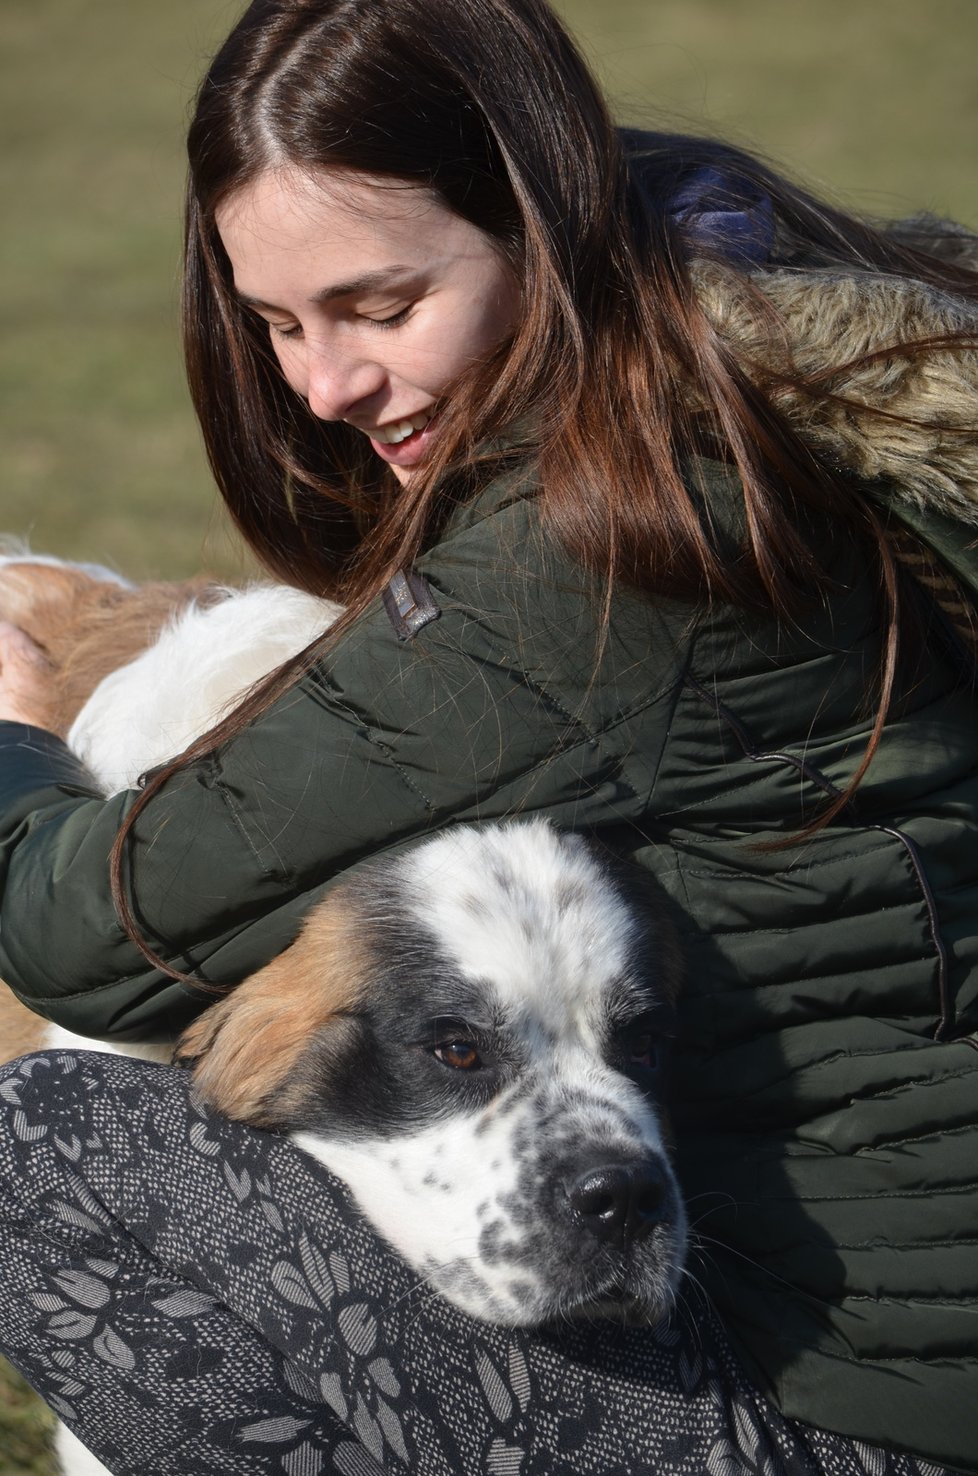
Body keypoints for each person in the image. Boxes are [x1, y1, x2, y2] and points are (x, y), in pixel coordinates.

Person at [1, 0, 977, 1471]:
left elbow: (80, 936)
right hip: (909, 1330)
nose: (322, 386)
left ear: (541, 227)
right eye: (276, 325)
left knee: (54, 1148)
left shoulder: (607, 554)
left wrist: (16, 735)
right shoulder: (804, 381)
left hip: (845, 1412)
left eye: (380, 308)